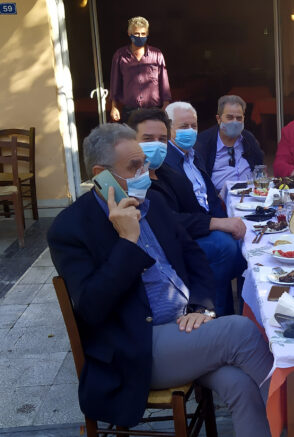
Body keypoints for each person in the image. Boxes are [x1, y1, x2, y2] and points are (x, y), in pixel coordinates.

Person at [47, 123, 273, 436]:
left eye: (144, 164)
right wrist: (127, 242)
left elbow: (194, 257)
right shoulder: (71, 228)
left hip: (184, 330)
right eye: (134, 167)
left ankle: (288, 422)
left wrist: (201, 307)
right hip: (136, 348)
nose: (145, 173)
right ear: (101, 174)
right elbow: (91, 306)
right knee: (242, 331)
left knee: (241, 384)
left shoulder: (152, 202)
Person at [159, 102, 247, 316]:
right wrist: (217, 224)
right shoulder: (164, 163)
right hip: (185, 236)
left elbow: (211, 199)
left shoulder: (193, 155)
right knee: (225, 248)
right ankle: (216, 314)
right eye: (183, 126)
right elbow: (169, 219)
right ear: (169, 129)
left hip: (204, 225)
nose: (190, 131)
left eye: (194, 126)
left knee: (248, 243)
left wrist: (227, 223)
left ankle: (245, 310)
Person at [196, 95, 264, 191]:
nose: (235, 122)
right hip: (219, 197)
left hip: (250, 195)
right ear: (219, 119)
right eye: (229, 117)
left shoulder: (249, 139)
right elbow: (198, 181)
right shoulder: (203, 143)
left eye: (239, 118)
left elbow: (260, 168)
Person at [109, 16, 171, 123]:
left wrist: (166, 104)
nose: (140, 37)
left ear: (147, 34)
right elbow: (115, 82)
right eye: (136, 34)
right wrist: (114, 107)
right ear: (129, 33)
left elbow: (164, 81)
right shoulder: (120, 55)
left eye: (143, 34)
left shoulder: (157, 54)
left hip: (153, 111)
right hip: (130, 112)